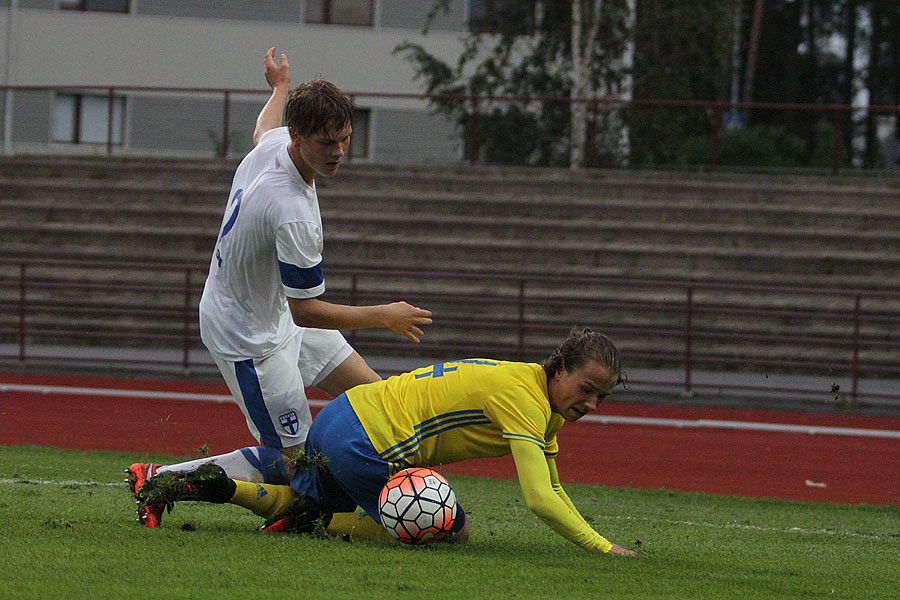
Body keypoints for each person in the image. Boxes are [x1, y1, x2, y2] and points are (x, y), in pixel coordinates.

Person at [127, 47, 432, 527]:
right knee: (299, 467)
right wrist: (384, 315)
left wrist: (280, 88)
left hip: (273, 314)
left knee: (378, 403)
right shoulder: (290, 209)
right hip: (250, 338)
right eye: (326, 142)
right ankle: (158, 479)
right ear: (300, 135)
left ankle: (385, 503)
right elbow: (305, 312)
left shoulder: (276, 145)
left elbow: (261, 129)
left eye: (345, 140)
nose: (337, 153)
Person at [138, 328, 638, 556]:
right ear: (561, 369)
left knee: (296, 483)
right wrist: (601, 547)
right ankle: (315, 519)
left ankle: (164, 481)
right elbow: (537, 498)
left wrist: (597, 540)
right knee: (450, 529)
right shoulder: (525, 400)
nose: (591, 404)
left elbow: (553, 485)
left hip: (345, 414)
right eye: (586, 389)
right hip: (369, 442)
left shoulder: (535, 395)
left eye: (602, 397)